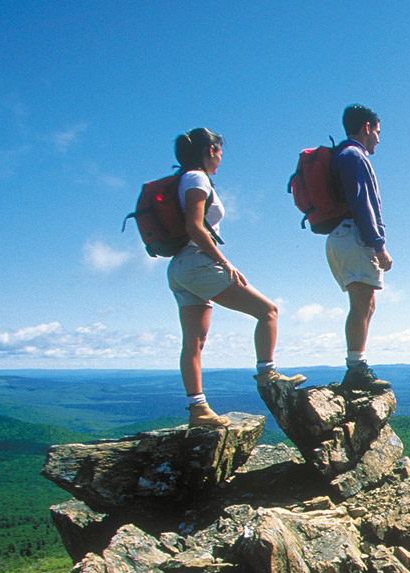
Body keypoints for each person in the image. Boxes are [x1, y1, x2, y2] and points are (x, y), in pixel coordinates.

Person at [167, 127, 304, 428]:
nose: (220, 158)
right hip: (197, 263)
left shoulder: (183, 179)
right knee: (268, 311)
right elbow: (194, 227)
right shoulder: (197, 178)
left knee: (194, 342)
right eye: (219, 152)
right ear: (210, 151)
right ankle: (267, 373)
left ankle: (197, 409)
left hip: (179, 268)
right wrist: (224, 261)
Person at [327, 104, 392, 393]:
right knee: (361, 304)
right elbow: (362, 204)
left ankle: (358, 365)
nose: (378, 138)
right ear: (366, 128)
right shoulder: (354, 156)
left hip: (342, 235)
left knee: (366, 303)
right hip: (354, 235)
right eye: (377, 132)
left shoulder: (343, 154)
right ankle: (355, 368)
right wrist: (378, 245)